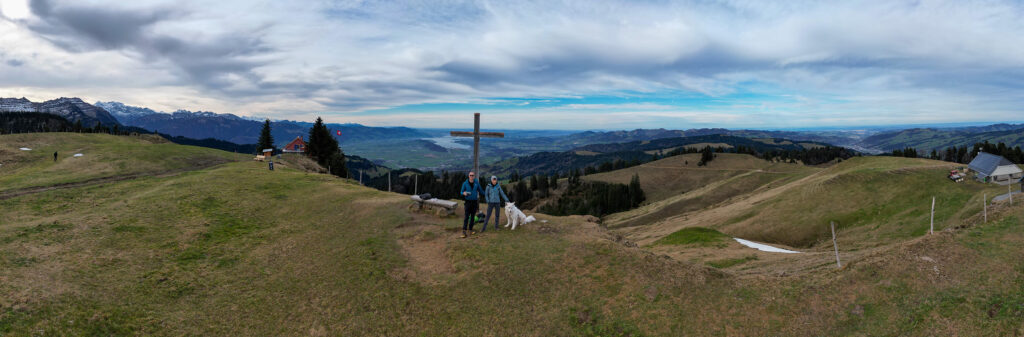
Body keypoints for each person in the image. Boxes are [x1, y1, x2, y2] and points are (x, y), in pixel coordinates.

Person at [459, 171, 486, 238]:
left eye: (473, 175)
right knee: (466, 217)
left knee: (473, 217)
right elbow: (461, 192)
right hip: (468, 202)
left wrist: (488, 193)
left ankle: (470, 230)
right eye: (470, 175)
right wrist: (463, 193)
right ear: (468, 176)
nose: (471, 176)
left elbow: (481, 191)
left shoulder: (476, 183)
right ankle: (464, 231)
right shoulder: (465, 183)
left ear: (474, 176)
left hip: (474, 202)